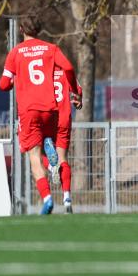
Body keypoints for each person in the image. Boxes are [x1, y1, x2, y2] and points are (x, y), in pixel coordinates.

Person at [0, 15, 81, 215]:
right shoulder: (51, 49)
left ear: (21, 30)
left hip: (29, 110)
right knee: (54, 148)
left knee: (33, 156)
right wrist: (75, 90)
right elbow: (69, 67)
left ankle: (47, 199)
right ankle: (65, 193)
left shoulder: (15, 52)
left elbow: (2, 85)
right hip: (51, 110)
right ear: (40, 29)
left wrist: (12, 82)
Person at [43, 65, 82, 213]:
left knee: (37, 153)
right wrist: (79, 101)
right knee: (63, 158)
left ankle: (50, 165)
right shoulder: (66, 73)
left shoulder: (43, 73)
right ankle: (67, 198)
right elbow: (78, 92)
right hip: (64, 119)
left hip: (49, 118)